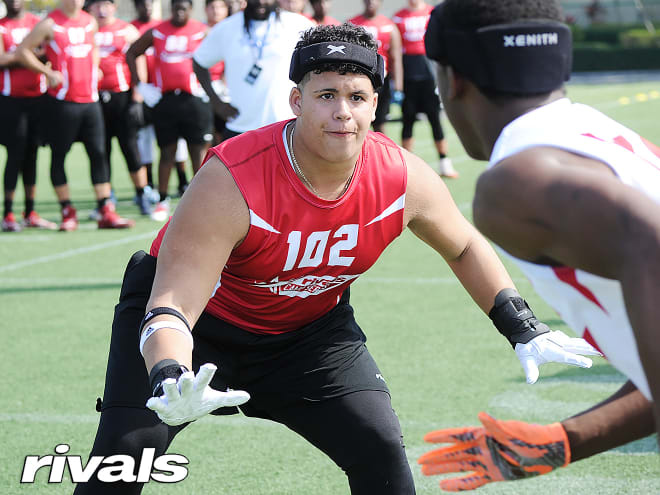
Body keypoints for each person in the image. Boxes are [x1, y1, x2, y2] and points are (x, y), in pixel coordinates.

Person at [75, 24, 600, 494]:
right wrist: (169, 373)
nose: (342, 112)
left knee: (379, 447)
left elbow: (463, 245)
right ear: (296, 101)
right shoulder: (232, 180)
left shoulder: (401, 177)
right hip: (200, 330)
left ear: (376, 105)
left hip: (308, 335)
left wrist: (521, 325)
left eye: (356, 96)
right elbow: (170, 303)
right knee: (122, 460)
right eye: (326, 94)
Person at [418, 0, 659, 490]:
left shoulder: (515, 181)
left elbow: (648, 242)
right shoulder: (592, 131)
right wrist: (567, 439)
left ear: (453, 79)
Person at [15, 0, 134, 230]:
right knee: (60, 155)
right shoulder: (49, 24)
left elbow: (94, 48)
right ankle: (67, 210)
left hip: (90, 101)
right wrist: (47, 72)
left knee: (99, 154)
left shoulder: (90, 21)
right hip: (62, 103)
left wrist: (96, 67)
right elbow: (23, 51)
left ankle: (105, 210)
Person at [126, 0, 212, 222]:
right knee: (167, 153)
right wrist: (140, 85)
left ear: (191, 10)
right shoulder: (158, 31)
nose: (180, 12)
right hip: (166, 101)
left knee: (198, 153)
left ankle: (201, 201)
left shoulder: (201, 31)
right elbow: (132, 52)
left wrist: (216, 84)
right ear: (170, 9)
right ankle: (162, 200)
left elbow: (223, 55)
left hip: (194, 100)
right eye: (176, 7)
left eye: (184, 8)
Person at [192, 0, 314, 141]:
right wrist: (216, 103)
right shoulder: (227, 27)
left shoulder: (297, 24)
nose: (261, 2)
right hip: (240, 129)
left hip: (285, 126)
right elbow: (199, 62)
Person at [87, 0, 151, 216]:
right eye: (96, 5)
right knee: (100, 150)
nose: (101, 9)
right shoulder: (87, 28)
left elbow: (138, 58)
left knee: (130, 148)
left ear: (114, 6)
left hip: (121, 96)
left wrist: (137, 92)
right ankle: (105, 200)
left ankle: (142, 193)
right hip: (95, 98)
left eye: (106, 4)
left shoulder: (126, 30)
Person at [0, 0, 57, 231]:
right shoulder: (2, 26)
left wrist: (19, 56)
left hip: (38, 99)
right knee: (15, 153)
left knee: (32, 154)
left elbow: (47, 54)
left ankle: (30, 212)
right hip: (11, 100)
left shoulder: (37, 23)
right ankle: (8, 214)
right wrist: (27, 55)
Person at [393, 0, 457, 178]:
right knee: (408, 119)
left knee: (435, 118)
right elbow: (396, 50)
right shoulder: (399, 17)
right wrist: (396, 82)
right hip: (409, 76)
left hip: (430, 75)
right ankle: (405, 167)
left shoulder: (432, 12)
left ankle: (445, 163)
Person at [349, 0, 403, 134]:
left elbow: (395, 58)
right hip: (359, 79)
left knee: (380, 123)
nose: (371, 2)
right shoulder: (352, 24)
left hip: (381, 80)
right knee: (358, 120)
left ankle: (380, 152)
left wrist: (398, 87)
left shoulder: (389, 26)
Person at [204, 0, 230, 145]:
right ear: (206, 9)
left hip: (225, 88)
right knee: (206, 133)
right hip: (203, 87)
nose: (216, 10)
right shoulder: (199, 30)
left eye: (220, 7)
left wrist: (224, 82)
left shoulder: (233, 29)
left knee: (223, 132)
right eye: (212, 7)